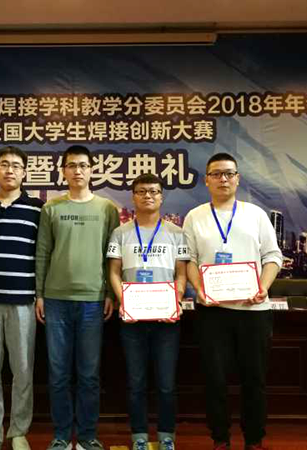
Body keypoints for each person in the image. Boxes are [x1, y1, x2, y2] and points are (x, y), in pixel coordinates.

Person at [182, 152, 282, 450]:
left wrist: (263, 287)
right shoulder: (195, 216)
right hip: (212, 311)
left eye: (229, 173)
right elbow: (189, 259)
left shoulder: (256, 214)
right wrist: (198, 289)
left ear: (237, 178)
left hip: (254, 310)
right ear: (207, 180)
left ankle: (254, 439)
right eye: (216, 174)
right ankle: (220, 438)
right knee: (215, 379)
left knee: (254, 379)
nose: (223, 179)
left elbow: (273, 256)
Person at [35, 145, 120, 450]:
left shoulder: (107, 208)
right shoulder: (51, 208)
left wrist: (109, 293)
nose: (78, 171)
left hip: (93, 301)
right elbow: (43, 252)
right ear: (63, 171)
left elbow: (113, 256)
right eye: (71, 165)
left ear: (92, 170)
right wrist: (40, 294)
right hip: (56, 300)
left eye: (83, 165)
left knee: (89, 374)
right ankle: (61, 435)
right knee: (58, 373)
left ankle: (86, 435)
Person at [107, 173, 188, 450]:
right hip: (132, 320)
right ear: (133, 197)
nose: (148, 196)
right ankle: (139, 436)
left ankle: (167, 436)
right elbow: (114, 272)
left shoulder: (176, 233)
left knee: (166, 383)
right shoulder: (120, 233)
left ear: (161, 197)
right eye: (141, 191)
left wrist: (175, 300)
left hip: (166, 320)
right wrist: (125, 302)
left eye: (153, 191)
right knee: (136, 382)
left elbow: (181, 274)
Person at [0, 146, 44, 450]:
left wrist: (40, 295)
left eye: (16, 165)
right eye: (3, 164)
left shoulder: (38, 209)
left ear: (24, 172)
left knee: (23, 370)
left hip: (23, 300)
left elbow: (42, 255)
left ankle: (18, 432)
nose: (9, 170)